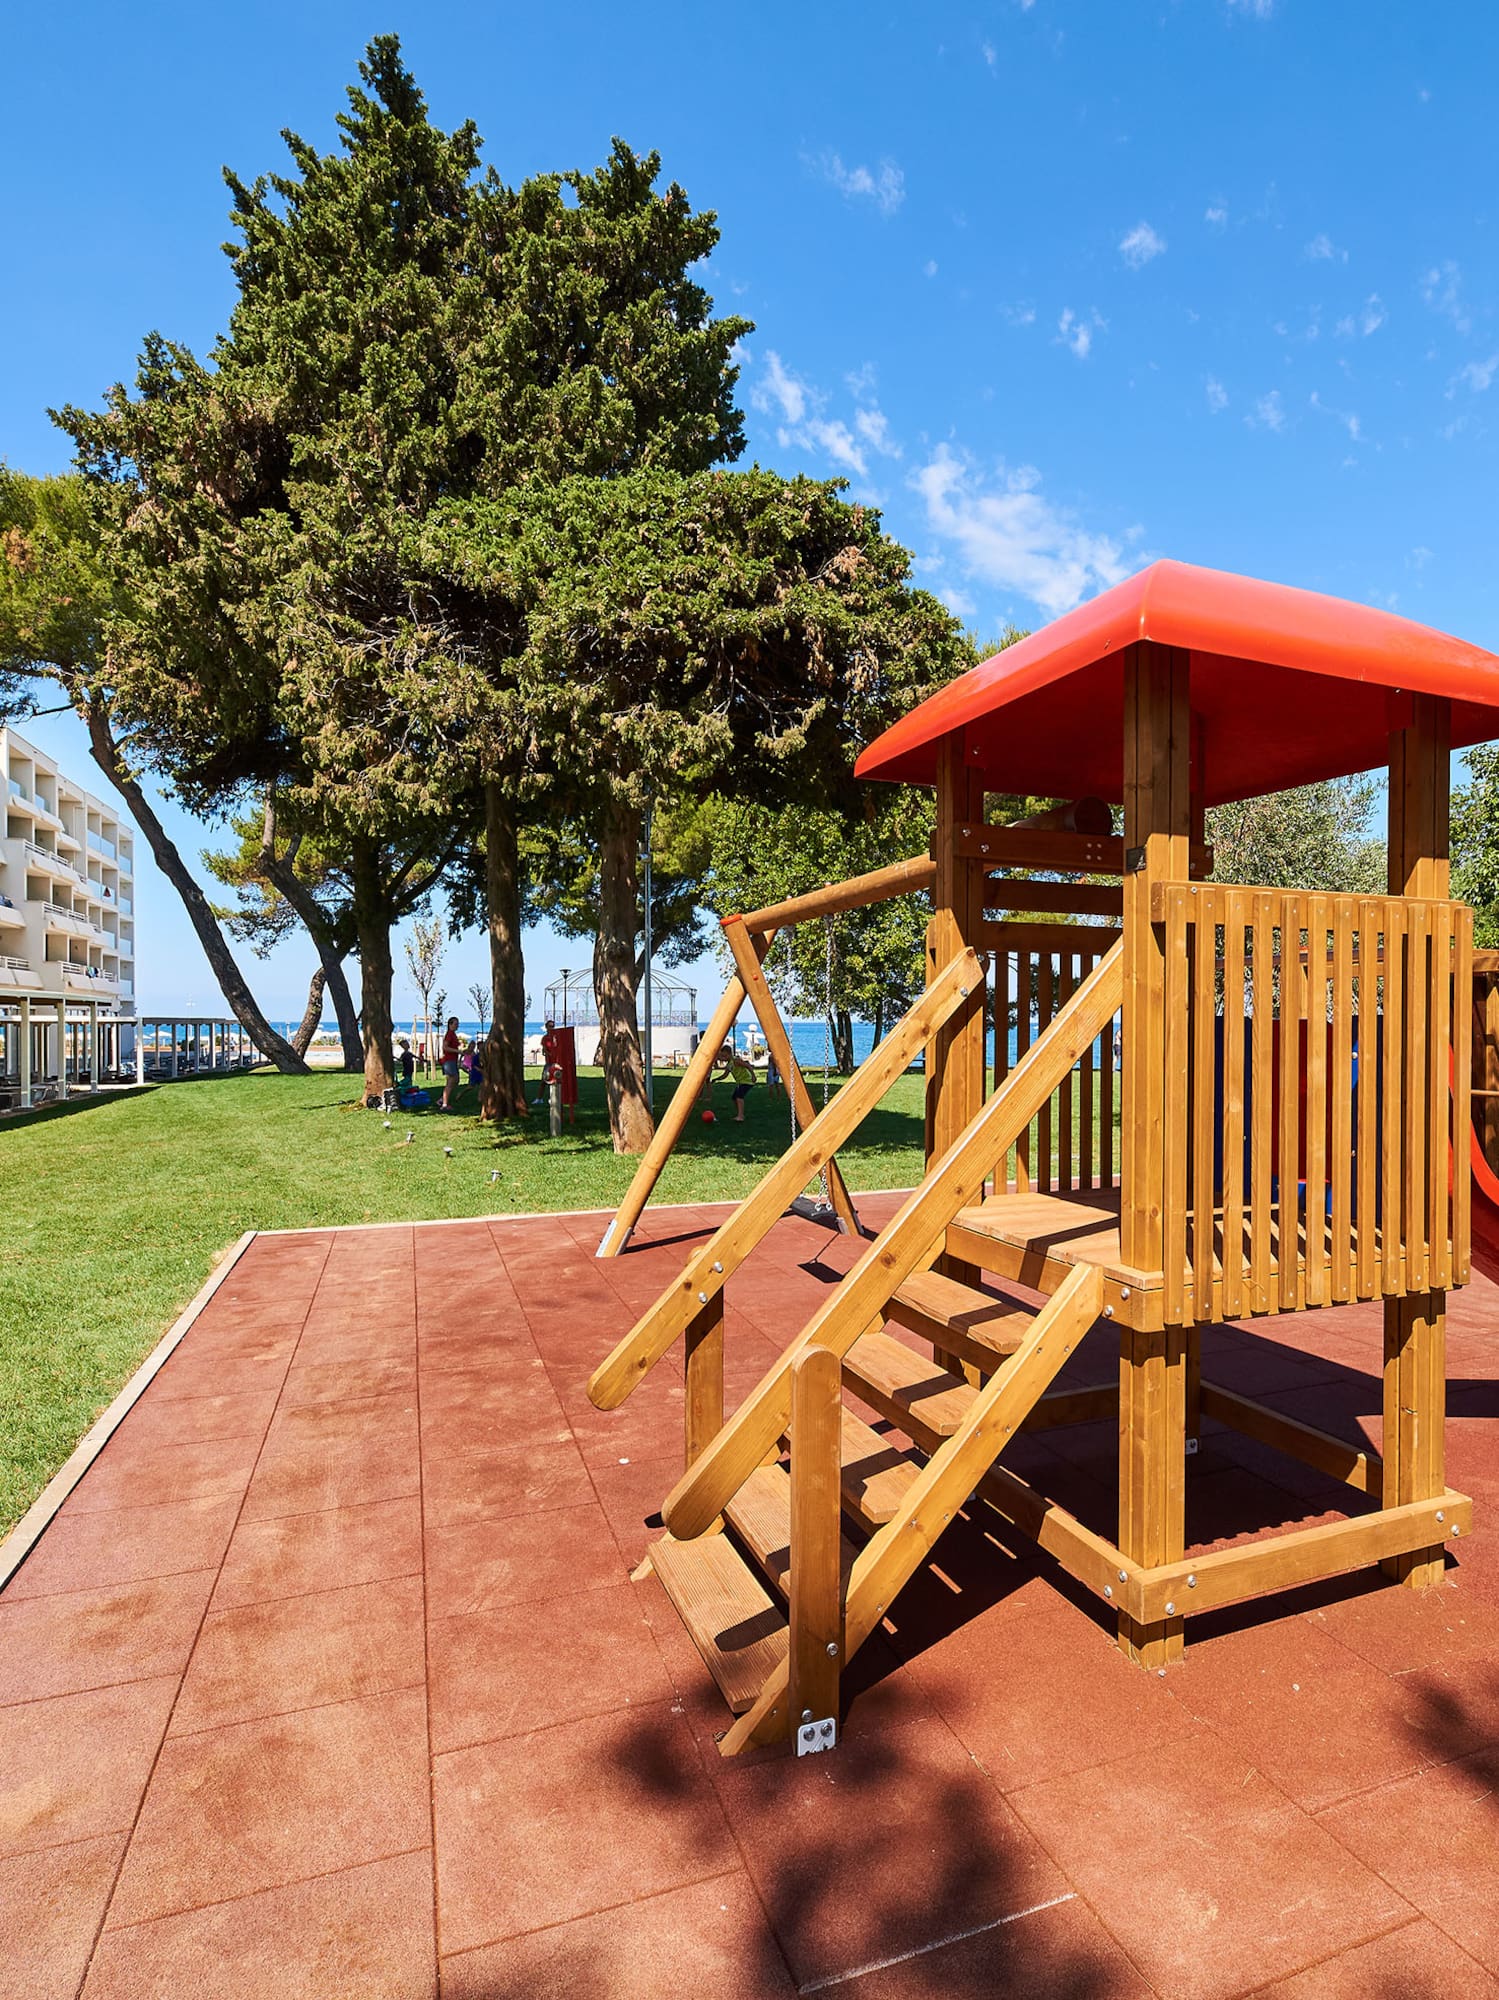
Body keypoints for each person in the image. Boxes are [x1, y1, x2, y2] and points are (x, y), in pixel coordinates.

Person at [726, 1045, 756, 1122]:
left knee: (739, 1097)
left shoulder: (736, 1060)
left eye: (724, 1056)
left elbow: (748, 1066)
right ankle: (740, 1113)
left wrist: (753, 1076)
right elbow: (725, 1075)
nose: (723, 1058)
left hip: (747, 1081)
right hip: (741, 1082)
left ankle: (741, 1116)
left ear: (729, 1054)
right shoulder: (729, 1064)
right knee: (734, 1098)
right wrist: (716, 1079)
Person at [440, 1015, 461, 1111]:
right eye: (455, 1024)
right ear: (450, 1024)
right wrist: (458, 1051)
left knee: (455, 1080)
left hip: (452, 1060)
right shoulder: (449, 1034)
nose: (457, 1026)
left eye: (458, 1024)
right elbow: (445, 1047)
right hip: (449, 1060)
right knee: (451, 1081)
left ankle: (442, 1100)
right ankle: (444, 1105)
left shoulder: (453, 1034)